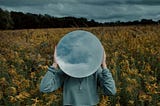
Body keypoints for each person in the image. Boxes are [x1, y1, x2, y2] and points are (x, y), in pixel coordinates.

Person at [40, 46, 116, 106]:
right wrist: (54, 64)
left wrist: (104, 65)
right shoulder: (66, 71)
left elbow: (111, 91)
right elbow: (45, 88)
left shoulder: (95, 70)